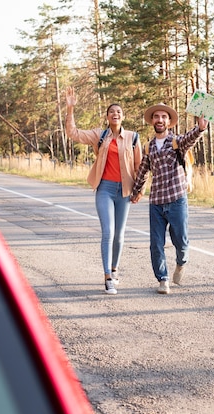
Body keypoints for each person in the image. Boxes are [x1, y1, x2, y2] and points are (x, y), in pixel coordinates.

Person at [65, 86, 142, 294]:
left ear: (123, 116)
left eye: (118, 112)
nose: (115, 114)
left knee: (119, 235)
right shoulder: (100, 135)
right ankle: (107, 276)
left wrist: (139, 189)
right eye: (111, 112)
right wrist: (70, 109)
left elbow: (139, 166)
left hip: (125, 191)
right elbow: (73, 133)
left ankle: (115, 269)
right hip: (105, 189)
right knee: (108, 232)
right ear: (107, 117)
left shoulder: (133, 137)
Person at [130, 103, 208, 294]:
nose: (160, 120)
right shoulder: (148, 146)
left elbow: (190, 139)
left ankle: (181, 263)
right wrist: (135, 191)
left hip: (176, 199)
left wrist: (200, 128)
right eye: (156, 117)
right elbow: (142, 171)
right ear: (152, 121)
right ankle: (162, 279)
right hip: (156, 201)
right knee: (156, 243)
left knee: (180, 241)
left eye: (163, 117)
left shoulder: (176, 142)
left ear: (169, 122)